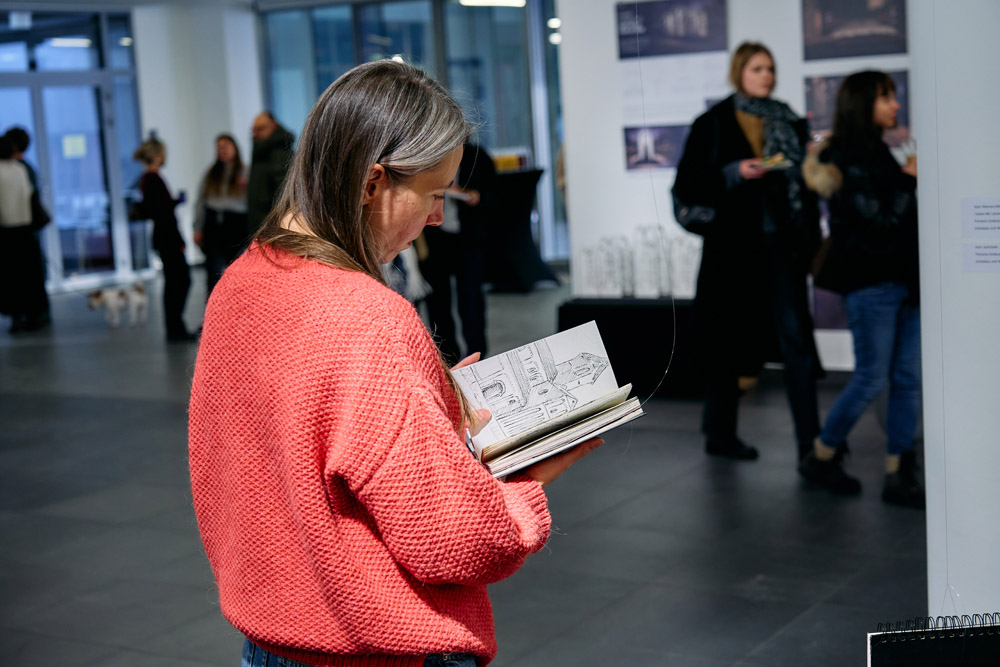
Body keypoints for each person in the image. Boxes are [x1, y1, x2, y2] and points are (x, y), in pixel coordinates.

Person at [188, 60, 602, 667]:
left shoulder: (239, 283)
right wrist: (524, 486)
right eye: (434, 194)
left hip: (271, 642)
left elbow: (277, 454)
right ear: (371, 183)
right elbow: (456, 540)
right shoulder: (369, 318)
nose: (438, 216)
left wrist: (426, 404)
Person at [672, 42, 823, 462]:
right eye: (757, 68)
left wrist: (815, 162)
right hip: (733, 251)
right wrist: (733, 172)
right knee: (725, 344)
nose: (766, 76)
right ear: (739, 71)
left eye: (770, 68)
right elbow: (687, 185)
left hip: (783, 248)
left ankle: (812, 445)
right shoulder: (713, 122)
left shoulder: (789, 120)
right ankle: (720, 436)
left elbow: (807, 187)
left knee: (797, 345)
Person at [800, 70, 923, 508]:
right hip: (872, 285)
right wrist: (910, 179)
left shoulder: (878, 150)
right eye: (886, 97)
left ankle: (899, 470)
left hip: (906, 281)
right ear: (863, 103)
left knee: (907, 380)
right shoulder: (842, 156)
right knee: (872, 378)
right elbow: (879, 222)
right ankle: (822, 454)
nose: (895, 105)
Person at [419, 142, 496, 363]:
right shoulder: (431, 155)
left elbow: (496, 194)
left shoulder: (477, 156)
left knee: (471, 298)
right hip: (436, 239)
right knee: (438, 300)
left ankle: (477, 354)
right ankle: (448, 357)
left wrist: (478, 197)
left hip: (469, 238)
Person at [133, 136, 195, 342]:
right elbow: (163, 214)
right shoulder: (153, 179)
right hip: (167, 237)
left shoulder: (148, 180)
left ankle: (175, 327)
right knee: (180, 281)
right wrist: (179, 240)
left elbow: (158, 208)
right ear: (157, 156)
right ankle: (175, 327)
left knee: (174, 281)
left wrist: (173, 202)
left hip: (163, 237)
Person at [2, 126, 51, 327]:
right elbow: (30, 196)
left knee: (11, 276)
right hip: (26, 228)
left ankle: (17, 316)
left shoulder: (11, 169)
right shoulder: (22, 169)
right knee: (30, 274)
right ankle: (36, 314)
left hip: (6, 230)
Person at [193, 133, 248, 295]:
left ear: (234, 148)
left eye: (225, 147)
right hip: (213, 223)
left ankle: (236, 306)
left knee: (237, 271)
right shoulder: (211, 174)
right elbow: (200, 201)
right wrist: (197, 228)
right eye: (219, 148)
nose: (222, 150)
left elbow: (253, 201)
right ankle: (213, 307)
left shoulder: (245, 171)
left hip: (236, 223)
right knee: (213, 272)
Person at [246, 111, 294, 237]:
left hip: (273, 227)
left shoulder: (280, 154)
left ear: (274, 126)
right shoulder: (261, 152)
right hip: (261, 225)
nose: (255, 134)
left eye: (260, 128)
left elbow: (284, 193)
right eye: (254, 130)